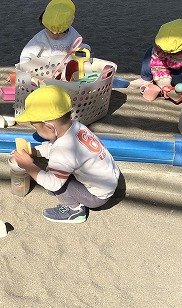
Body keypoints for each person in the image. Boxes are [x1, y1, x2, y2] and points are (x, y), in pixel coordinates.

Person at [12, 85, 120, 224]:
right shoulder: (75, 126)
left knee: (57, 184)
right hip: (108, 179)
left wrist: (28, 166)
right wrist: (34, 151)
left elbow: (53, 184)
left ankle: (74, 211)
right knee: (56, 170)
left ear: (49, 127)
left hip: (96, 197)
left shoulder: (63, 151)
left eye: (36, 127)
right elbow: (53, 147)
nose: (35, 131)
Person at [138, 19, 182, 102]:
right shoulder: (160, 49)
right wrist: (164, 84)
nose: (174, 56)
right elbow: (158, 66)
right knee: (150, 52)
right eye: (168, 52)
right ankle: (146, 80)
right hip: (168, 70)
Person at [19, 0, 87, 64]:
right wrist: (25, 64)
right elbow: (27, 53)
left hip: (66, 67)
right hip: (44, 67)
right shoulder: (41, 37)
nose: (55, 36)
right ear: (46, 26)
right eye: (51, 32)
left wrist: (84, 49)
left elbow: (79, 45)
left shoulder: (72, 33)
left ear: (67, 28)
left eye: (60, 33)